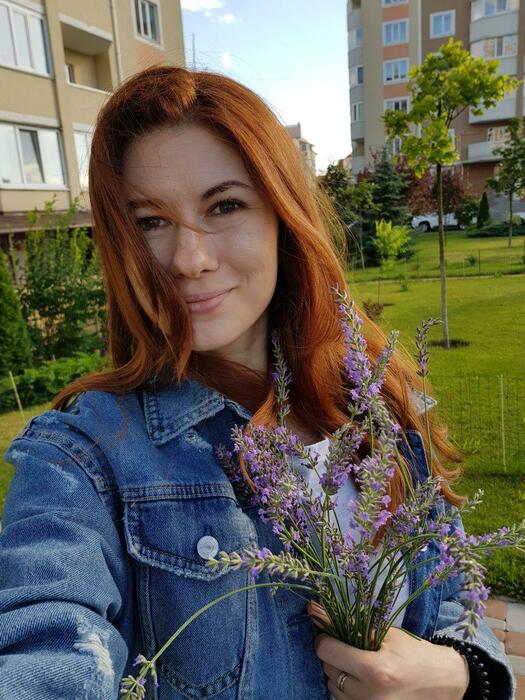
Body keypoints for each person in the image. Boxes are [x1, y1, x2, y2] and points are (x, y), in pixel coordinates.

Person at [0, 65, 514, 700]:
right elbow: (48, 638)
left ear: (282, 215)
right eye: (150, 221)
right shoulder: (85, 458)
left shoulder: (380, 403)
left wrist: (459, 676)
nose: (189, 260)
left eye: (224, 206)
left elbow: (458, 599)